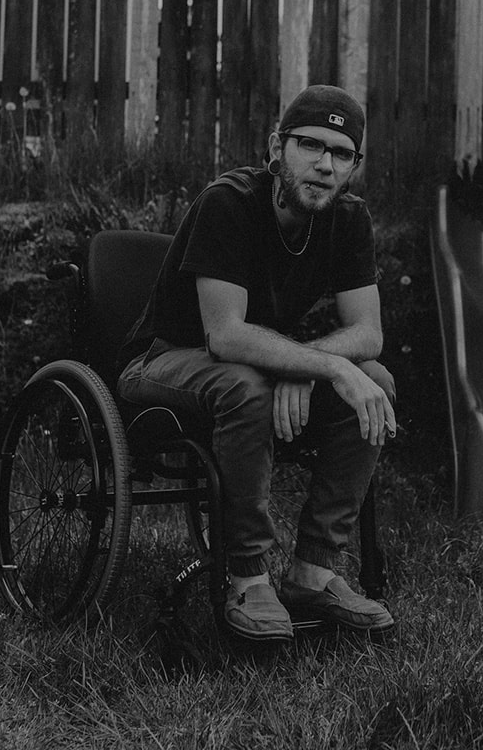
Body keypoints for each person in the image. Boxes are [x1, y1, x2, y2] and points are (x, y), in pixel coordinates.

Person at [115, 85, 398, 642]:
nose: (325, 164)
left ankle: (314, 570)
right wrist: (326, 367)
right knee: (249, 385)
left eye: (342, 153)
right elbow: (224, 336)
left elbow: (369, 333)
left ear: (354, 166)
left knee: (377, 380)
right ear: (276, 147)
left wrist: (305, 366)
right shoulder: (229, 202)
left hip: (252, 366)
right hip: (161, 361)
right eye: (310, 145)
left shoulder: (348, 219)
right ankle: (246, 576)